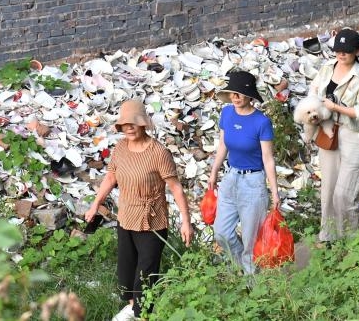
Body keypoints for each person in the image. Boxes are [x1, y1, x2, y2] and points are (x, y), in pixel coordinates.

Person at [84, 99, 193, 321]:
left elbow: (175, 188)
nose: (129, 128)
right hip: (126, 217)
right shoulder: (120, 148)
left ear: (143, 124)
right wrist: (95, 204)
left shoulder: (158, 152)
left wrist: (186, 222)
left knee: (146, 274)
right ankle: (134, 310)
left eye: (133, 123)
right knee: (127, 271)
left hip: (152, 222)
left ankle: (142, 315)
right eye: (125, 124)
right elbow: (111, 178)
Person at [308, 27, 359, 246]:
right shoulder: (327, 67)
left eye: (346, 51)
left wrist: (336, 108)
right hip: (328, 130)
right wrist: (315, 110)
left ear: (357, 51)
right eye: (338, 50)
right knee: (328, 190)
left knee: (345, 195)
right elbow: (313, 89)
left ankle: (353, 240)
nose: (341, 54)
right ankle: (329, 237)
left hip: (352, 134)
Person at [207, 69, 280, 275]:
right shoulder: (227, 113)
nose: (235, 97)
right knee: (221, 232)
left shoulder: (261, 122)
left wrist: (274, 191)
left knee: (251, 239)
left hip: (253, 182)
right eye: (232, 93)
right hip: (231, 178)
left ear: (250, 96)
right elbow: (223, 145)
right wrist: (214, 171)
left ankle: (252, 283)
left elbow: (268, 159)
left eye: (240, 93)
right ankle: (243, 266)